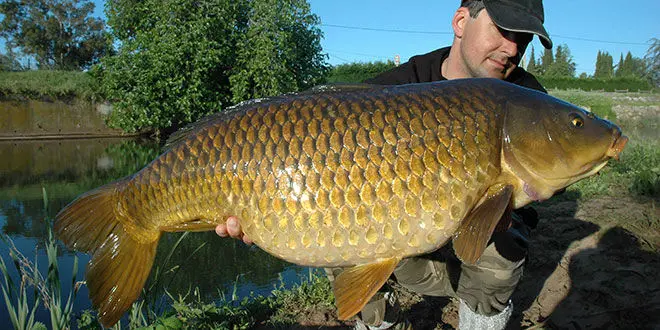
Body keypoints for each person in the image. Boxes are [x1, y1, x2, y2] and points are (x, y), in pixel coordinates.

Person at [216, 0, 552, 329]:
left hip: (470, 250)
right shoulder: (395, 87)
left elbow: (540, 193)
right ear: (461, 21)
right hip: (405, 241)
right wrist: (260, 210)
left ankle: (480, 323)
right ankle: (380, 323)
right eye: (503, 30)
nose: (511, 48)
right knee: (339, 221)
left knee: (506, 244)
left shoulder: (526, 99)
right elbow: (318, 167)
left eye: (523, 38)